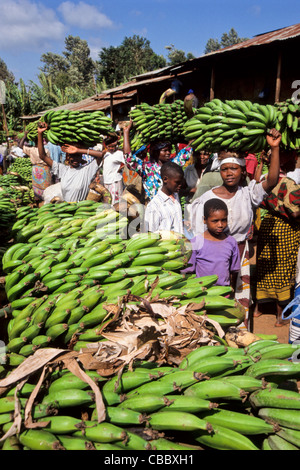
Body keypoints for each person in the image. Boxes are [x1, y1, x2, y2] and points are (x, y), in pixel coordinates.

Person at [188, 129, 282, 329]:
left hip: (241, 254)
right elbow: (198, 237)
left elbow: (272, 180)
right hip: (213, 259)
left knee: (239, 303)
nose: (229, 173)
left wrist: (274, 148)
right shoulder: (206, 199)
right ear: (219, 171)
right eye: (225, 169)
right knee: (214, 303)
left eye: (234, 169)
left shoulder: (248, 194)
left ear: (242, 171)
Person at [254, 151, 300, 327]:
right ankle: (280, 317)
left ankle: (258, 308)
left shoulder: (266, 180)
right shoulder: (288, 183)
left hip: (268, 225)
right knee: (282, 269)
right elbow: (294, 212)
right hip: (284, 229)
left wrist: (261, 163)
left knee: (264, 268)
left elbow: (255, 182)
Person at [36, 122, 106, 203]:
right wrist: (40, 133)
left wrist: (77, 150)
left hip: (81, 208)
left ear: (81, 157)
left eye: (78, 156)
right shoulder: (63, 169)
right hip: (66, 208)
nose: (75, 159)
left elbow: (101, 154)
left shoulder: (87, 170)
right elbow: (42, 156)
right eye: (72, 156)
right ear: (67, 157)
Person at [123, 121, 192, 201]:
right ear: (156, 152)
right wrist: (126, 132)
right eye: (165, 150)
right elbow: (129, 159)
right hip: (155, 207)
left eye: (169, 150)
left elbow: (188, 150)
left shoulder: (173, 164)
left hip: (173, 205)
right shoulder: (147, 168)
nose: (168, 153)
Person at [182, 199, 240, 287]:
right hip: (201, 293)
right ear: (204, 220)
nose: (220, 225)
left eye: (224, 220)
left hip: (224, 293)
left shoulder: (231, 242)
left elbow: (234, 270)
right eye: (215, 221)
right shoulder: (195, 242)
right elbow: (188, 271)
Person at [144, 161, 184, 234]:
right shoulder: (154, 206)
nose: (180, 185)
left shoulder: (175, 198)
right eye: (177, 182)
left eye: (181, 182)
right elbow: (150, 234)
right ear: (165, 179)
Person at [18, 129, 52, 202]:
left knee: (39, 188)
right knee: (45, 188)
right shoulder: (44, 150)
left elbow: (20, 145)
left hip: (37, 170)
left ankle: (39, 202)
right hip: (43, 170)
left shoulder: (32, 150)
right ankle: (44, 201)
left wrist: (25, 136)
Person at [101, 134, 125, 205]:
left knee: (116, 202)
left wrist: (120, 168)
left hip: (115, 180)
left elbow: (127, 162)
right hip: (106, 180)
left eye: (113, 146)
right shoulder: (105, 154)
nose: (111, 148)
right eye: (109, 146)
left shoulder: (119, 153)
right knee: (108, 201)